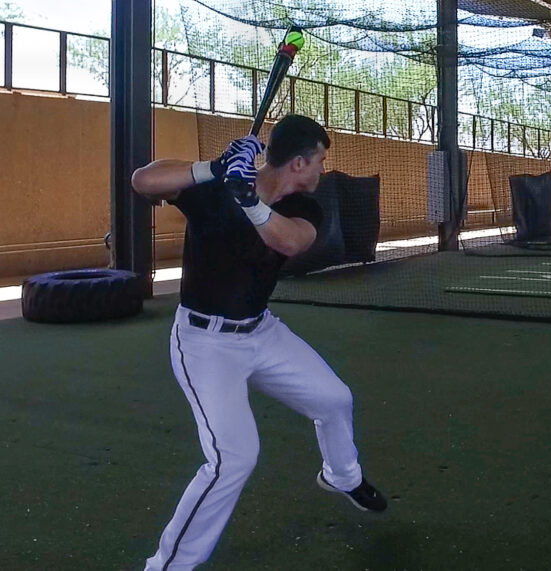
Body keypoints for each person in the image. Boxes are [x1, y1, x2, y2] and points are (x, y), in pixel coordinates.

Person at [132, 114, 386, 571]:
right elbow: (143, 180)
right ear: (297, 162)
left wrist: (248, 199)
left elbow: (289, 242)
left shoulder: (303, 206)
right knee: (234, 458)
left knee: (333, 399)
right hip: (205, 343)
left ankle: (341, 476)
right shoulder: (213, 190)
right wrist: (212, 167)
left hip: (261, 331)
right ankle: (167, 567)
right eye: (319, 162)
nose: (321, 171)